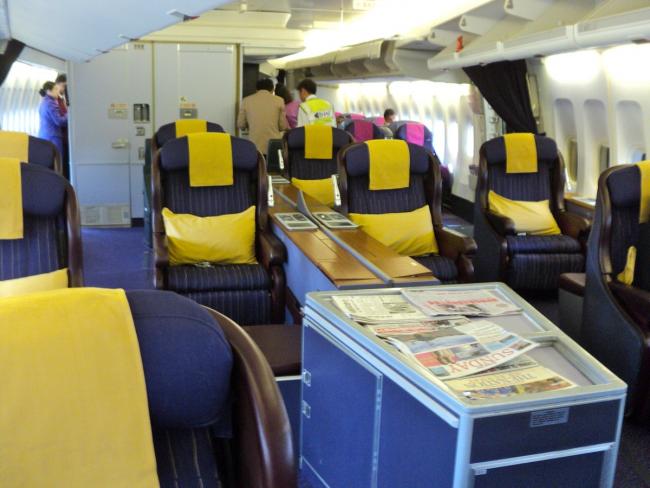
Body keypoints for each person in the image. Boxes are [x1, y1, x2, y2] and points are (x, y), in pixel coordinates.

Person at [237, 78, 288, 155]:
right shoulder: (279, 100)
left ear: (256, 89)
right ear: (272, 90)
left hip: (254, 146)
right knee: (273, 163)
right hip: (273, 145)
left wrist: (251, 123)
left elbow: (241, 124)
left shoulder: (246, 101)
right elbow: (283, 126)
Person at [38, 81, 68, 160]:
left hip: (45, 136)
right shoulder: (51, 103)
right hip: (53, 137)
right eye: (55, 89)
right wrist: (69, 115)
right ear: (49, 91)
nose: (58, 91)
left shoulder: (44, 101)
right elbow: (59, 121)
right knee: (58, 161)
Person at [55, 73, 70, 179]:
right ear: (57, 84)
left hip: (65, 136)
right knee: (63, 164)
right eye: (63, 86)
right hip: (60, 136)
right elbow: (59, 120)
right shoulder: (54, 101)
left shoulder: (62, 98)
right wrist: (69, 114)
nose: (65, 89)